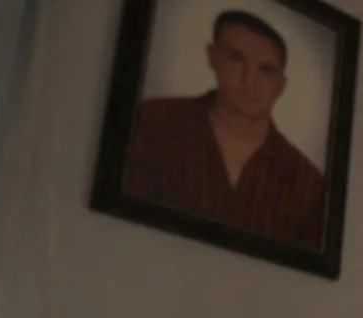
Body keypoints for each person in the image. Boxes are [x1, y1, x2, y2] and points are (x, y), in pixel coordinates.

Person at [124, 10, 325, 249]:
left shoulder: (306, 183)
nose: (249, 80)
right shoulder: (152, 123)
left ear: (281, 85)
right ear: (213, 57)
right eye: (236, 58)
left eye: (266, 70)